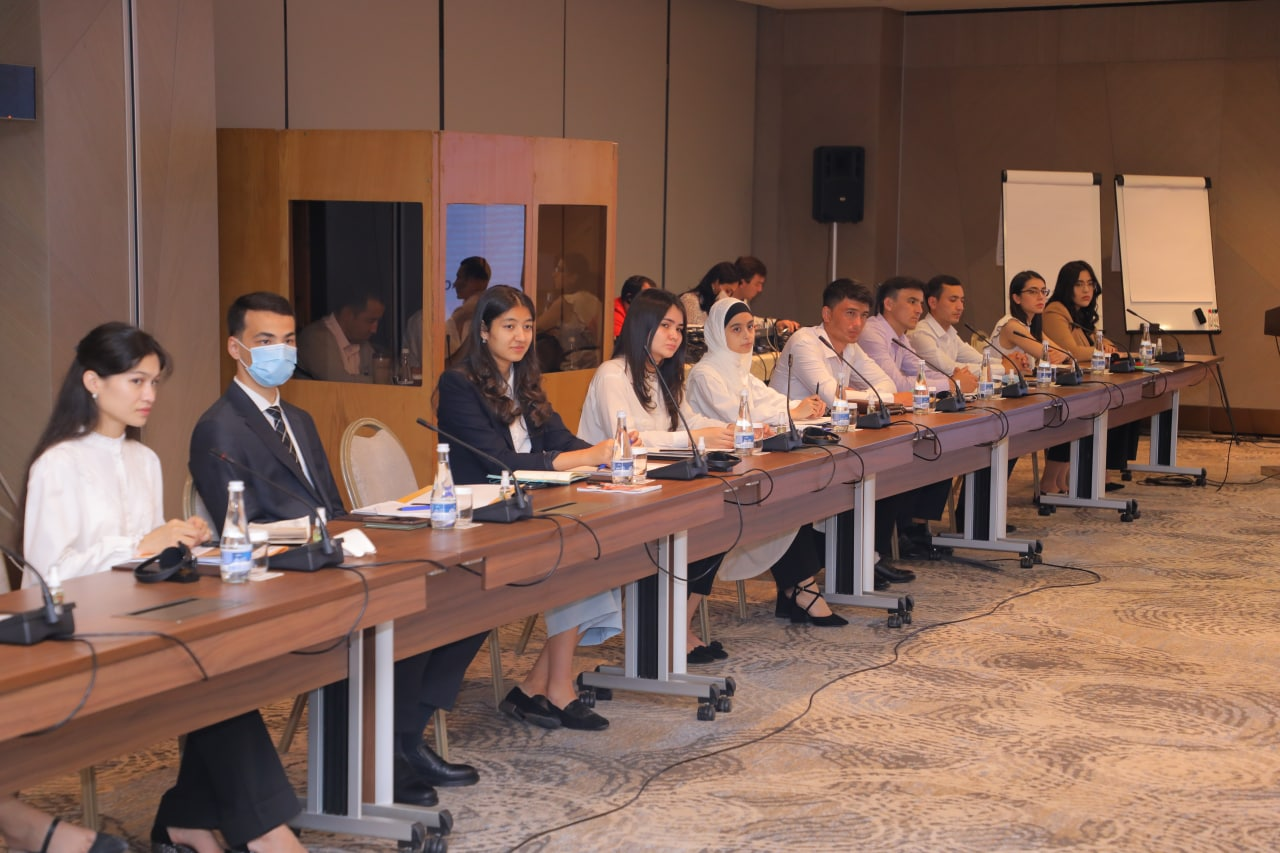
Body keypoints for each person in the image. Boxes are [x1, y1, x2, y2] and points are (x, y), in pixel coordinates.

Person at [188, 292, 485, 809]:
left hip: (330, 557)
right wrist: (319, 538)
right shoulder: (219, 427)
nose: (281, 352)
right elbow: (242, 528)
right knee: (404, 609)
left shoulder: (298, 418)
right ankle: (383, 756)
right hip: (282, 576)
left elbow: (334, 507)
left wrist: (368, 530)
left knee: (461, 596)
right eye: (265, 341)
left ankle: (402, 738)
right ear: (236, 348)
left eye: (288, 341)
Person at [21, 321, 301, 853]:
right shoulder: (58, 464)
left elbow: (147, 564)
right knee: (208, 671)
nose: (149, 395)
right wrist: (141, 544)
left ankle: (193, 821)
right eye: (136, 381)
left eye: (154, 382)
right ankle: (264, 834)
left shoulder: (144, 460)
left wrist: (180, 543)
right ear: (92, 382)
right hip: (84, 634)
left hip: (143, 620)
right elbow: (43, 579)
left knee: (222, 660)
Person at [436, 285, 623, 730]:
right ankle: (550, 687)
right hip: (482, 518)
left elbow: (561, 440)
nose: (520, 336)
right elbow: (497, 461)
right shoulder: (458, 384)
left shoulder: (525, 379)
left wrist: (607, 452)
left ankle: (545, 686)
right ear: (484, 331)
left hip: (530, 507)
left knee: (591, 550)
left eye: (527, 326)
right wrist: (584, 457)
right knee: (578, 553)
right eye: (508, 326)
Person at [579, 288, 734, 662]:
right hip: (606, 492)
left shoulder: (663, 374)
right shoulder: (612, 374)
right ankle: (663, 632)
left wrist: (732, 429)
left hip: (657, 485)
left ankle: (678, 623)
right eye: (665, 325)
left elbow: (689, 421)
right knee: (690, 527)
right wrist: (697, 437)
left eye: (679, 328)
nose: (674, 336)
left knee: (722, 522)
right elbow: (630, 439)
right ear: (641, 326)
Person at [687, 298, 845, 626]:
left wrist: (802, 406)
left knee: (791, 492)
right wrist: (792, 411)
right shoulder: (706, 374)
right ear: (716, 333)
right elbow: (738, 417)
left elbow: (771, 401)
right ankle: (800, 590)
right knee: (783, 496)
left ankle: (799, 589)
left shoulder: (741, 371)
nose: (747, 335)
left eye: (750, 327)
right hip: (719, 479)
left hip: (750, 467)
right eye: (736, 329)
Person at [768, 279, 911, 590]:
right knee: (859, 471)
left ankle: (863, 557)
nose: (857, 323)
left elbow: (886, 387)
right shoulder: (805, 342)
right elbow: (833, 398)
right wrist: (865, 397)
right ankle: (855, 560)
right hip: (786, 445)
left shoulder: (851, 349)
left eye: (863, 315)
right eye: (850, 313)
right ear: (827, 314)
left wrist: (861, 396)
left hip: (828, 439)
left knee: (885, 466)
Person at [858, 277, 960, 566]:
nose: (919, 309)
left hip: (895, 415)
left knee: (941, 442)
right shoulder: (873, 333)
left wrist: (952, 381)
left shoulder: (901, 337)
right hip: (868, 421)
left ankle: (912, 526)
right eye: (912, 302)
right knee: (912, 452)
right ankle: (898, 533)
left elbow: (920, 374)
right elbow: (897, 385)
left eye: (920, 302)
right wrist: (951, 384)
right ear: (888, 304)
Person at [1043, 260, 1137, 493]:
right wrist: (1102, 351)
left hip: (1083, 381)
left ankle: (1097, 471)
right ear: (1067, 287)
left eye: (1090, 284)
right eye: (1079, 284)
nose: (1086, 290)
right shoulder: (1055, 311)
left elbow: (1100, 342)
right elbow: (1070, 351)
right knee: (1080, 413)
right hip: (1061, 385)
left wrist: (1107, 348)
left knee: (1123, 402)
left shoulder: (1081, 313)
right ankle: (1057, 480)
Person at [989, 271, 1072, 495]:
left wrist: (1059, 355)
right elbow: (1047, 354)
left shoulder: (1031, 325)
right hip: (998, 401)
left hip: (1019, 397)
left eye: (1043, 291)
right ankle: (1049, 482)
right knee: (1061, 414)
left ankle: (1056, 481)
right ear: (1016, 298)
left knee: (1068, 414)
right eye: (1033, 292)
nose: (1041, 297)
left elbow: (1064, 354)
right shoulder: (1011, 326)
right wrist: (1057, 355)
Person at [909, 274, 984, 390]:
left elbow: (979, 359)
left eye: (962, 301)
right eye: (953, 300)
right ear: (933, 303)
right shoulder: (920, 334)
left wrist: (1006, 364)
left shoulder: (950, 333)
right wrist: (1004, 368)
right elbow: (951, 369)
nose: (960, 307)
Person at [296, 292, 385, 382]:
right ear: (348, 315)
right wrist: (382, 380)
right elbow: (338, 382)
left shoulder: (362, 343)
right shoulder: (315, 338)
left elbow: (383, 376)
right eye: (370, 321)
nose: (374, 330)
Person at [536, 254, 603, 372]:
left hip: (571, 366)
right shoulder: (595, 300)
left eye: (560, 270)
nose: (554, 274)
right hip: (595, 364)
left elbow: (536, 327)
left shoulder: (567, 301)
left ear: (573, 277)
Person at [732, 256, 800, 335]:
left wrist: (777, 324)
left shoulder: (743, 303)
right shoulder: (723, 306)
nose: (760, 289)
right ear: (742, 282)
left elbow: (752, 321)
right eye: (757, 284)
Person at [679, 261, 740, 328]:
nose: (728, 296)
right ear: (716, 282)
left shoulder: (716, 305)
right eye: (727, 291)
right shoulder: (690, 300)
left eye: (731, 293)